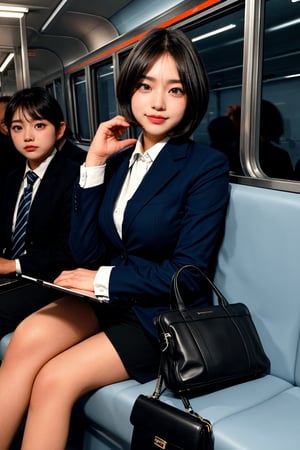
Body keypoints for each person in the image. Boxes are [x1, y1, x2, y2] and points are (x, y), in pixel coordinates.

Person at [0, 28, 229, 450]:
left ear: (191, 96)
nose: (157, 103)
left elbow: (188, 275)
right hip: (110, 301)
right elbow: (86, 250)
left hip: (158, 316)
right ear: (129, 89)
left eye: (174, 89)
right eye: (146, 86)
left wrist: (100, 280)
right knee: (27, 338)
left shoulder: (206, 166)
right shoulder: (119, 158)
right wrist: (93, 166)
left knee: (55, 379)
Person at [0, 87, 86, 339]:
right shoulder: (12, 178)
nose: (28, 136)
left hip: (50, 280)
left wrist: (12, 265)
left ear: (59, 130)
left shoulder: (75, 176)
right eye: (18, 128)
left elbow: (70, 250)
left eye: (38, 126)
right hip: (14, 277)